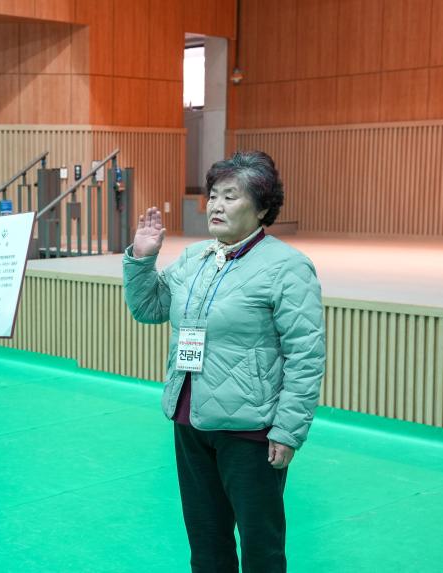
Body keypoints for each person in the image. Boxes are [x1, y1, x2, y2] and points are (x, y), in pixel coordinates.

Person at [123, 150, 325, 572]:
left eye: (230, 197)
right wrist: (141, 258)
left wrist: (289, 430)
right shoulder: (195, 257)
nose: (215, 205)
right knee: (207, 541)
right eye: (213, 195)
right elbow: (149, 308)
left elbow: (305, 355)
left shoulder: (288, 267)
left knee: (261, 546)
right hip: (190, 419)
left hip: (251, 429)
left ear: (263, 207)